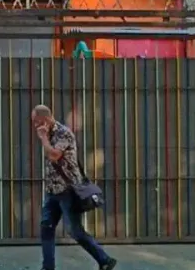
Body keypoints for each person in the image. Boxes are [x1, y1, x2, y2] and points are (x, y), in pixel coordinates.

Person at [32, 104, 117, 270]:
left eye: (37, 122)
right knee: (46, 227)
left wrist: (43, 138)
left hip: (68, 191)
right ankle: (47, 267)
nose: (35, 126)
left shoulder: (64, 133)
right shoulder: (49, 134)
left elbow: (54, 155)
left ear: (47, 119)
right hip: (52, 192)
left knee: (75, 231)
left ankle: (105, 260)